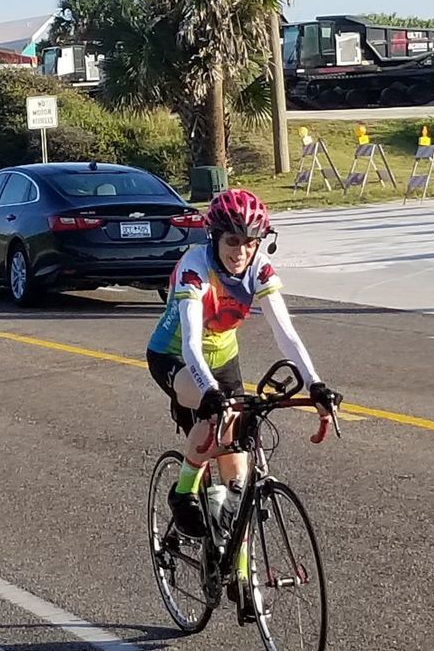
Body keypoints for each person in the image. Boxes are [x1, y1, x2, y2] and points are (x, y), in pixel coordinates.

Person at [146, 188, 340, 540]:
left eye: (251, 243)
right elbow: (191, 341)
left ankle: (231, 555)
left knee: (237, 474)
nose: (241, 252)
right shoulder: (195, 267)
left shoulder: (258, 268)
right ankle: (183, 493)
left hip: (224, 360)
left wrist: (315, 384)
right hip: (174, 356)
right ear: (215, 237)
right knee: (216, 415)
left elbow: (286, 333)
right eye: (233, 241)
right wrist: (209, 391)